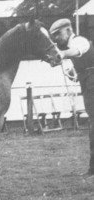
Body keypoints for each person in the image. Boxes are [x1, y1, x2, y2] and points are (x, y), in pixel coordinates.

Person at [50, 19, 94, 178]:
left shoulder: (78, 40)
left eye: (57, 34)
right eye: (53, 36)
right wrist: (72, 74)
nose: (55, 39)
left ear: (68, 30)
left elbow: (77, 51)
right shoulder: (70, 47)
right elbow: (78, 73)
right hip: (89, 87)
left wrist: (62, 54)